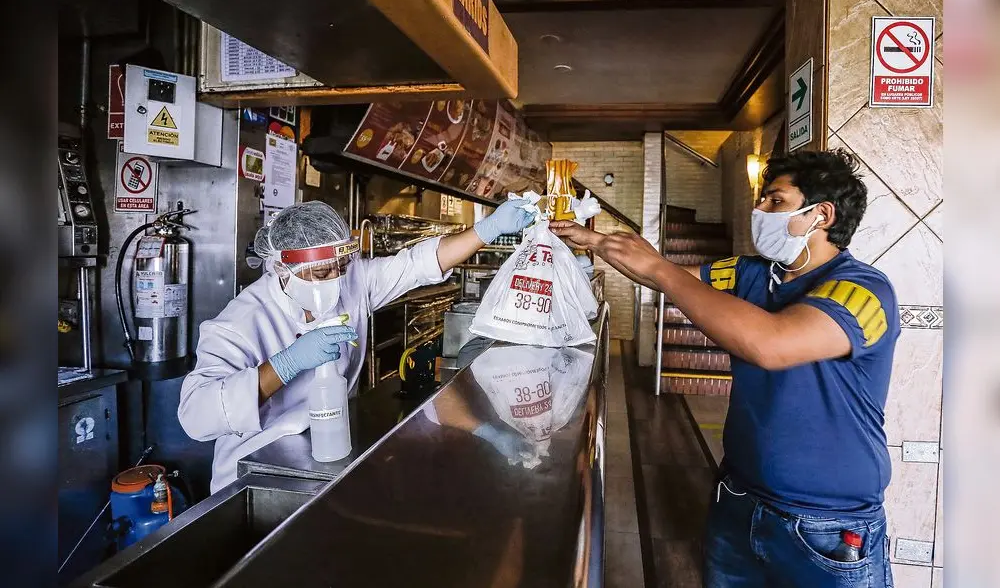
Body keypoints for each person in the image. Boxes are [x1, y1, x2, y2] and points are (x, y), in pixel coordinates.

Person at [550, 149, 899, 587]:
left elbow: (771, 344)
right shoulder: (751, 273)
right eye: (762, 199)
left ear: (822, 215)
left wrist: (660, 268)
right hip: (738, 498)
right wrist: (597, 242)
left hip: (825, 527)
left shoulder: (863, 291)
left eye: (775, 201)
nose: (759, 210)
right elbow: (663, 277)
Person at [179, 199, 534, 493]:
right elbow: (196, 418)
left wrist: (488, 228)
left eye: (341, 267)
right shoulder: (241, 322)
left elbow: (417, 264)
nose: (335, 281)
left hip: (328, 454)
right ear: (281, 268)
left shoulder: (352, 281)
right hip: (254, 472)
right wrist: (285, 365)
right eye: (321, 274)